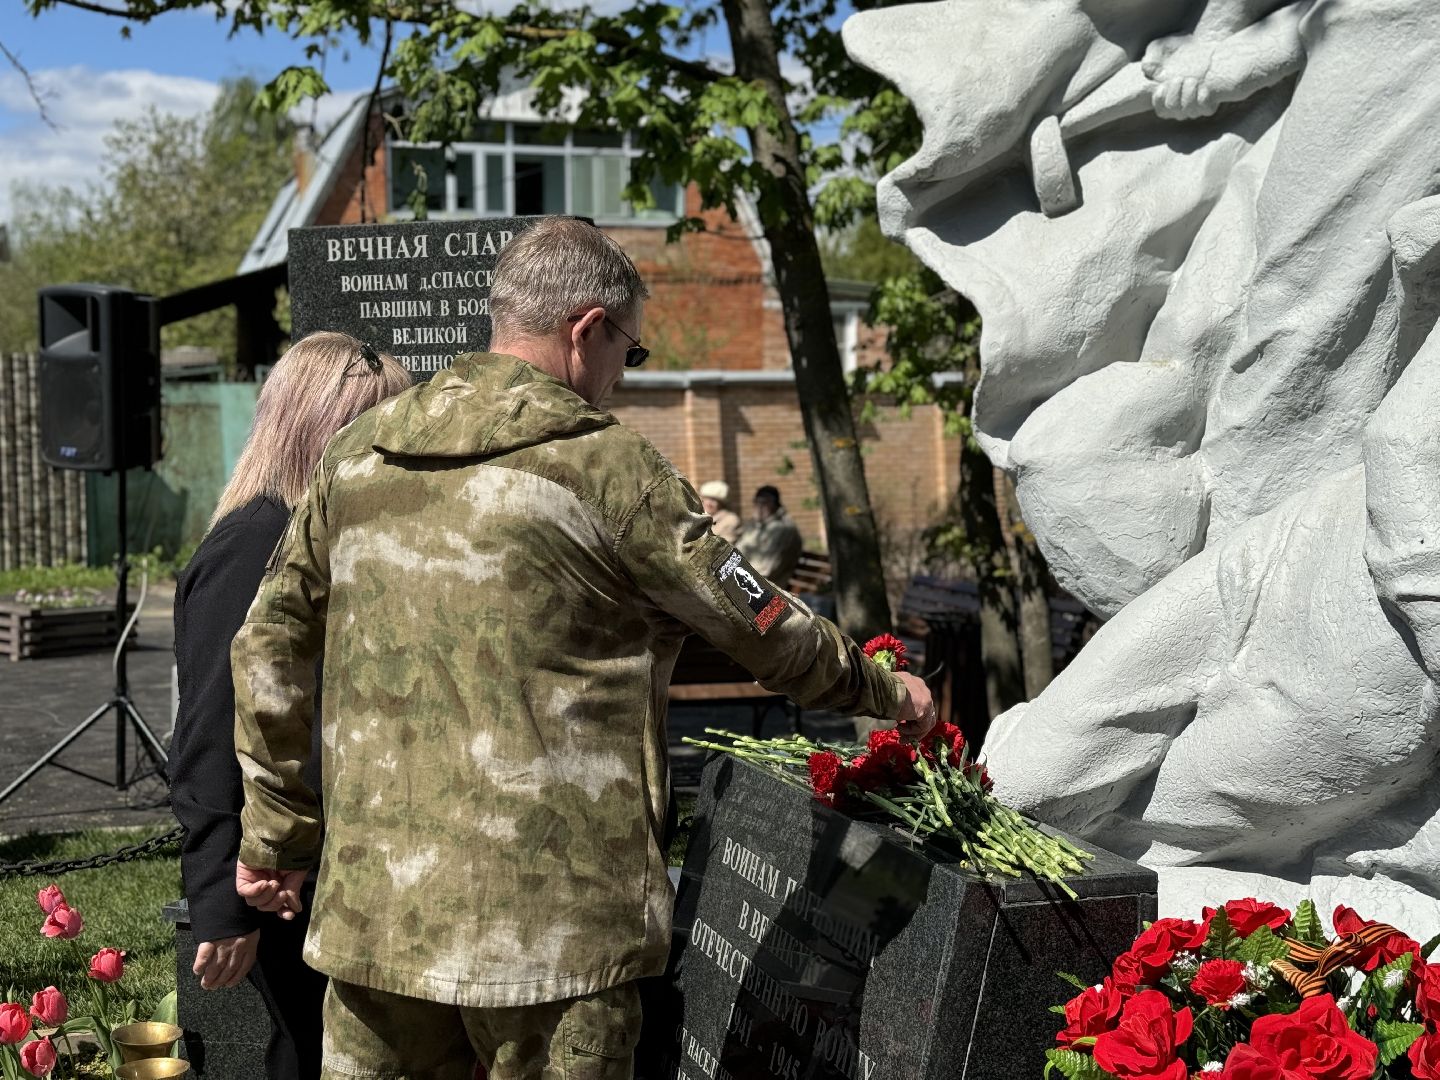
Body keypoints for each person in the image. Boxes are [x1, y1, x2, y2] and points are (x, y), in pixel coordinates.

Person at [229, 217, 936, 1080]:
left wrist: (276, 833)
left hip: (376, 922)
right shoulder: (610, 470)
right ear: (587, 329)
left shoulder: (354, 455)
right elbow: (760, 623)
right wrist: (885, 689)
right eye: (628, 352)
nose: (620, 378)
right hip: (557, 936)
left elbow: (266, 643)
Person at [170, 332, 411, 1080]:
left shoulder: (328, 536)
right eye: (374, 429)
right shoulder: (256, 545)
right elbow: (209, 730)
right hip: (280, 877)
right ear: (320, 430)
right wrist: (223, 902)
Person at [737, 484, 804, 586]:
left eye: (765, 503)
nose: (759, 507)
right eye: (757, 502)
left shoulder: (783, 529)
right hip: (747, 579)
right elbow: (738, 552)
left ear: (775, 505)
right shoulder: (755, 525)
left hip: (768, 587)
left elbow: (766, 570)